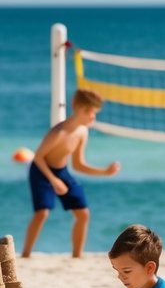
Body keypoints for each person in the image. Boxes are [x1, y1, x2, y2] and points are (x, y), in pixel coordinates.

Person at [22, 88, 120, 258]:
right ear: (83, 110)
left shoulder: (82, 132)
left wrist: (105, 172)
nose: (94, 118)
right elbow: (38, 157)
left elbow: (78, 164)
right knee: (42, 212)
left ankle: (77, 255)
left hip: (61, 171)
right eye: (93, 114)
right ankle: (25, 254)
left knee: (83, 213)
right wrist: (53, 181)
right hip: (41, 171)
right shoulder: (58, 132)